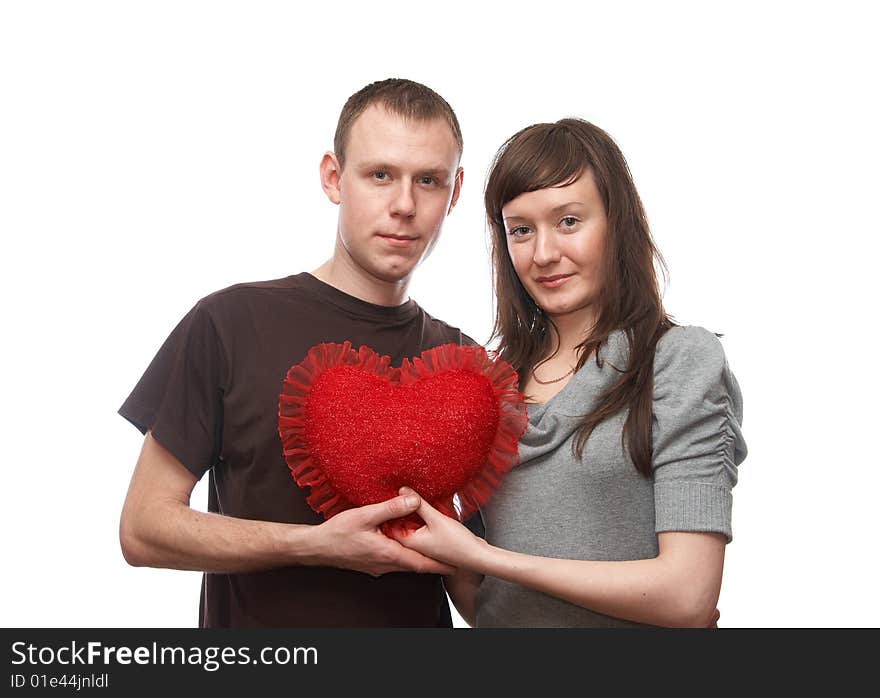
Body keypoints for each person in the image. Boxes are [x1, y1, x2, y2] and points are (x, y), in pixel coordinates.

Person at [118, 78, 475, 627]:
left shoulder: (462, 363)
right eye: (380, 175)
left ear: (453, 195)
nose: (404, 205)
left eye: (428, 180)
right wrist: (316, 545)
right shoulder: (230, 323)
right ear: (334, 178)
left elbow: (480, 599)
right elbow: (143, 527)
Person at [393, 118, 748, 627]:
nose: (543, 254)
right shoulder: (492, 385)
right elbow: (479, 595)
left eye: (568, 221)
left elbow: (687, 595)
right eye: (521, 230)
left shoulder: (676, 361)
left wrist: (485, 559)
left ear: (617, 222)